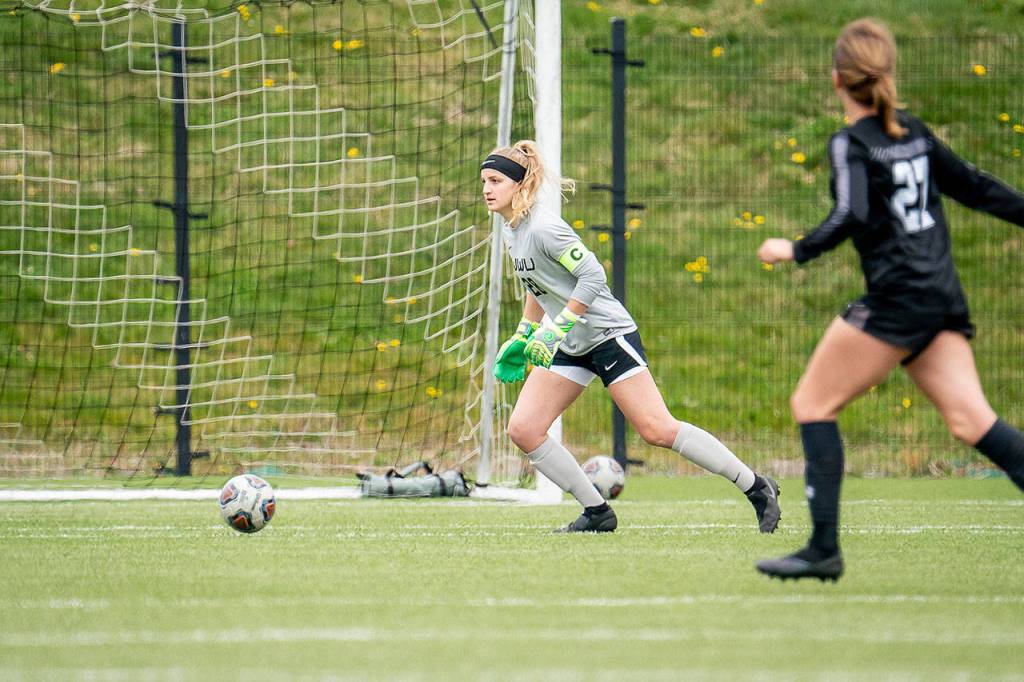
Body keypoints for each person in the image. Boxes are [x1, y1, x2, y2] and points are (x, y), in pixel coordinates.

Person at [755, 18, 1024, 581]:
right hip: (939, 296)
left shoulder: (851, 143)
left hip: (899, 300)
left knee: (812, 404)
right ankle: (821, 549)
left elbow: (851, 213)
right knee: (971, 419)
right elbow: (976, 187)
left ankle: (823, 549)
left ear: (836, 80)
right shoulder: (915, 134)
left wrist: (795, 250)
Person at [481, 140, 781, 533]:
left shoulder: (545, 228)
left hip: (606, 334)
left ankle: (757, 487)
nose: (487, 189)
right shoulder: (512, 228)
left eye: (496, 180)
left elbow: (592, 277)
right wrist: (525, 332)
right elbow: (539, 285)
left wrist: (558, 328)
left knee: (656, 429)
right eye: (485, 181)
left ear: (519, 185)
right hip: (568, 343)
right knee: (523, 429)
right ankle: (597, 512)